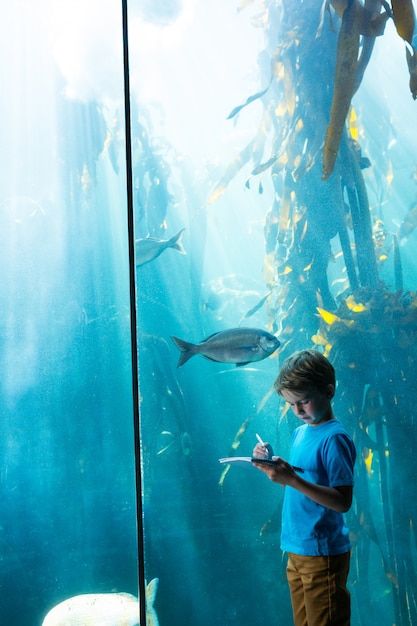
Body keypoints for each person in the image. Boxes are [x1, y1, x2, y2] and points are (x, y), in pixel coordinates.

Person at [253, 349, 356, 626]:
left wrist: (292, 480)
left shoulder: (334, 439)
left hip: (322, 552)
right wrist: (270, 466)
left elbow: (342, 502)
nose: (298, 411)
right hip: (296, 547)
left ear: (329, 391)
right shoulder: (300, 432)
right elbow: (302, 480)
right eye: (291, 404)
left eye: (305, 401)